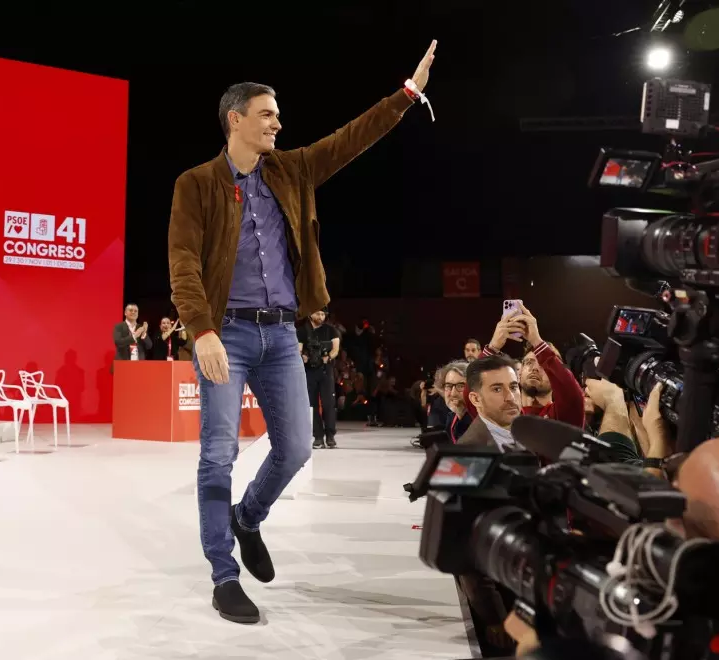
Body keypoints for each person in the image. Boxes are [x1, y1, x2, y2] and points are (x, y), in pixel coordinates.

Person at [167, 41, 438, 624]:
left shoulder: (291, 170)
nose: (278, 123)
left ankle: (247, 519)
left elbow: (351, 138)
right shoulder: (197, 183)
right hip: (228, 335)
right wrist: (202, 330)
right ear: (235, 119)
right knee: (217, 454)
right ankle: (223, 573)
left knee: (294, 448)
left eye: (278, 114)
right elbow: (183, 262)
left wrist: (407, 96)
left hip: (282, 336)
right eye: (267, 114)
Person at [481, 303, 585, 427]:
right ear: (519, 373)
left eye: (543, 364)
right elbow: (473, 391)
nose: (535, 368)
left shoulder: (563, 415)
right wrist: (493, 347)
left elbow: (573, 396)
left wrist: (536, 340)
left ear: (555, 376)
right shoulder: (501, 414)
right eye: (529, 362)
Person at [458, 355, 523, 450]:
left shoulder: (531, 433)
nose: (511, 398)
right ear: (475, 399)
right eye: (497, 389)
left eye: (513, 387)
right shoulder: (466, 451)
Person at [297, 309, 340, 448]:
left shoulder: (331, 330)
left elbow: (336, 349)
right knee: (312, 405)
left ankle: (330, 435)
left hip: (326, 370)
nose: (321, 317)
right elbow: (298, 349)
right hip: (309, 371)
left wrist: (327, 358)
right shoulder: (303, 331)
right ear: (310, 314)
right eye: (318, 314)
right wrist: (302, 356)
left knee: (329, 404)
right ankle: (318, 436)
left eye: (323, 314)